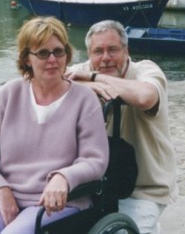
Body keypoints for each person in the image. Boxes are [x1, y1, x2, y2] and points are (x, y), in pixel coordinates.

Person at [0, 16, 109, 234]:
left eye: (58, 51)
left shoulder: (84, 100)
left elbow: (95, 159)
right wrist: (0, 188)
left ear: (67, 54)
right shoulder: (9, 94)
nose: (52, 59)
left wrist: (64, 177)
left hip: (56, 203)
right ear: (26, 59)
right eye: (42, 53)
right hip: (5, 195)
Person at [65, 20, 177, 234]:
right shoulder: (81, 71)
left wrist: (96, 77)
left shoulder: (146, 70)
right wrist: (90, 85)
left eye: (113, 49)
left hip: (145, 188)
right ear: (89, 54)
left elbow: (145, 97)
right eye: (98, 51)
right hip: (101, 186)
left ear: (127, 51)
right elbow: (38, 78)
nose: (105, 57)